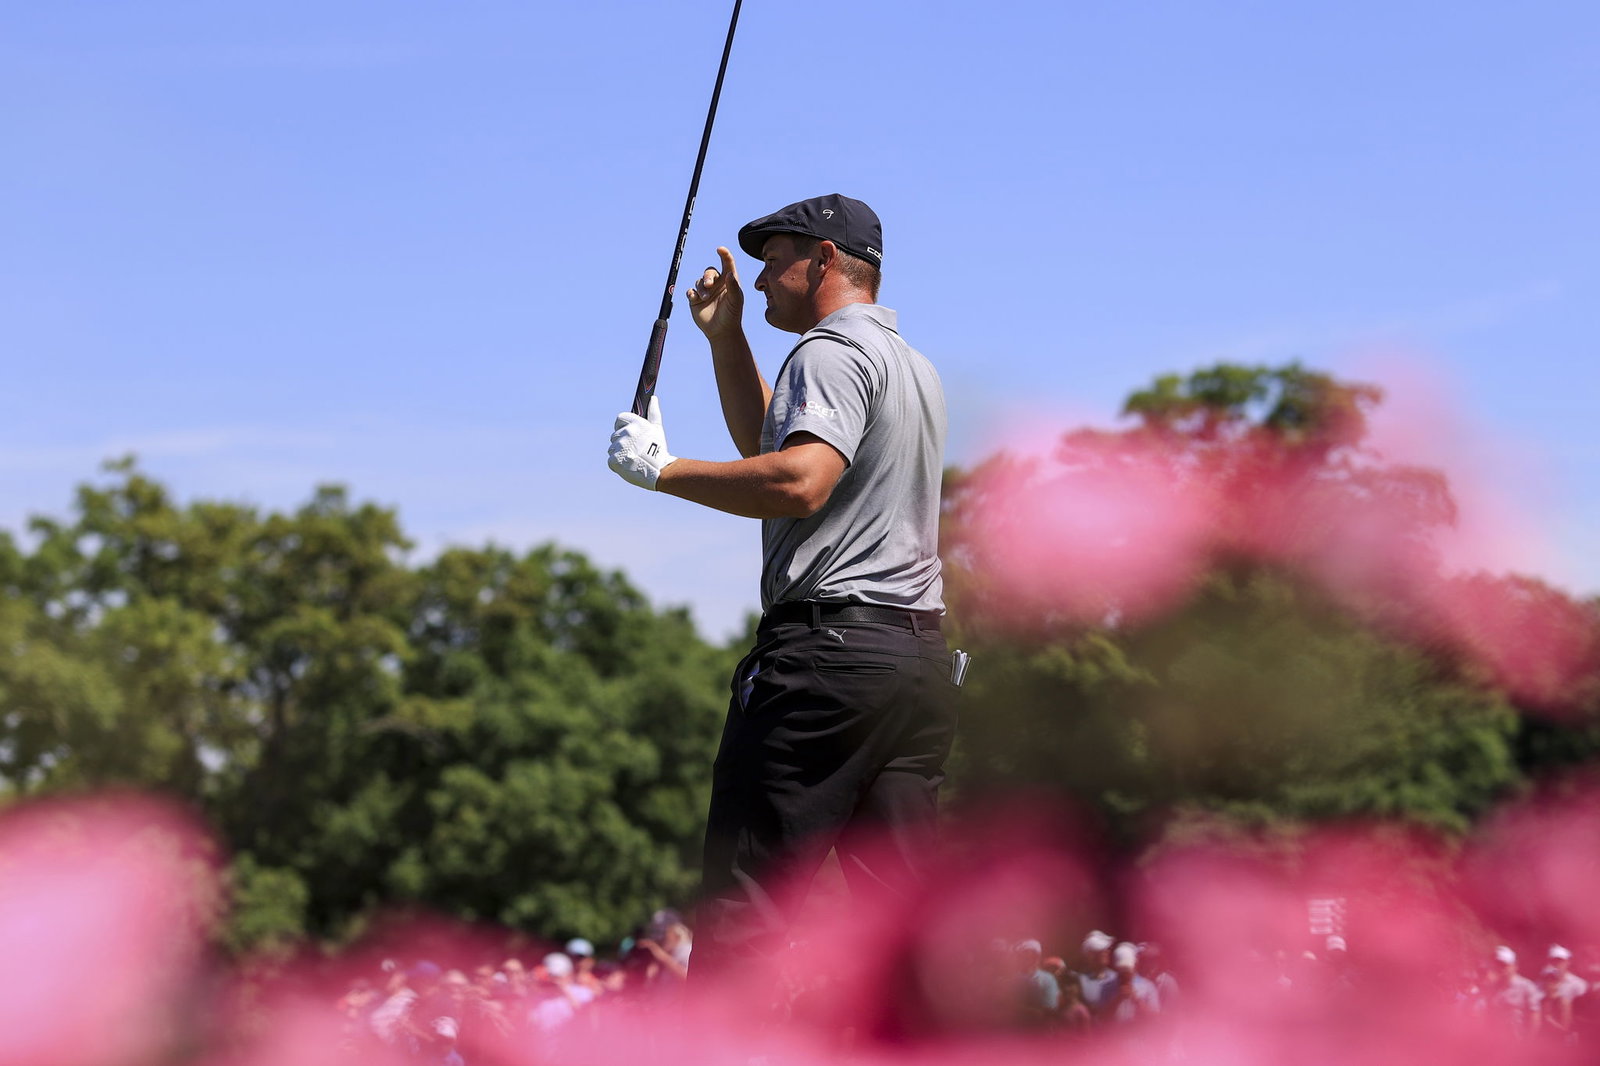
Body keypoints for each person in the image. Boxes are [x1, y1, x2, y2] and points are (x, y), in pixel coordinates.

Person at [608, 194, 957, 977]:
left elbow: (798, 479)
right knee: (901, 935)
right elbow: (777, 441)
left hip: (823, 668)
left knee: (745, 919)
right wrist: (726, 338)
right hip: (912, 667)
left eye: (775, 259)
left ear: (826, 261)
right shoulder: (911, 364)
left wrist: (662, 472)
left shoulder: (828, 352)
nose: (760, 279)